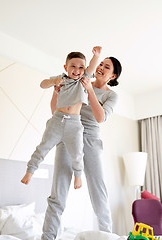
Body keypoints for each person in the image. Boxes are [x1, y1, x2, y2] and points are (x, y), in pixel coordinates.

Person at [41, 56, 122, 240]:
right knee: (57, 195)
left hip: (91, 141)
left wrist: (90, 90)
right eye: (100, 64)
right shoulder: (78, 82)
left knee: (98, 193)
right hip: (69, 134)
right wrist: (56, 92)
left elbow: (100, 117)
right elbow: (56, 112)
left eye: (106, 67)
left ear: (113, 75)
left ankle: (106, 236)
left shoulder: (111, 95)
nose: (100, 67)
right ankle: (47, 237)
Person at [21, 46, 102, 189]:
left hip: (74, 124)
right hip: (57, 121)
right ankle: (30, 171)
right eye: (73, 66)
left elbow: (92, 66)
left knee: (77, 154)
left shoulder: (83, 80)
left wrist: (96, 56)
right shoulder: (61, 79)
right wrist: (54, 82)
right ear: (66, 67)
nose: (77, 70)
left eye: (81, 67)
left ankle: (78, 176)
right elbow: (42, 84)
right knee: (43, 147)